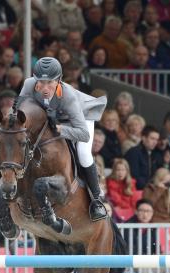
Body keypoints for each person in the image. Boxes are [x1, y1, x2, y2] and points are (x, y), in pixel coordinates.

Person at [19, 57, 107, 222]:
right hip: (55, 117)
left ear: (58, 80)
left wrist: (61, 130)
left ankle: (96, 199)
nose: (45, 88)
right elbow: (20, 113)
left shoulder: (68, 97)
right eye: (41, 82)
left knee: (83, 152)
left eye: (50, 83)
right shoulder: (28, 85)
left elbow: (83, 134)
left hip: (81, 117)